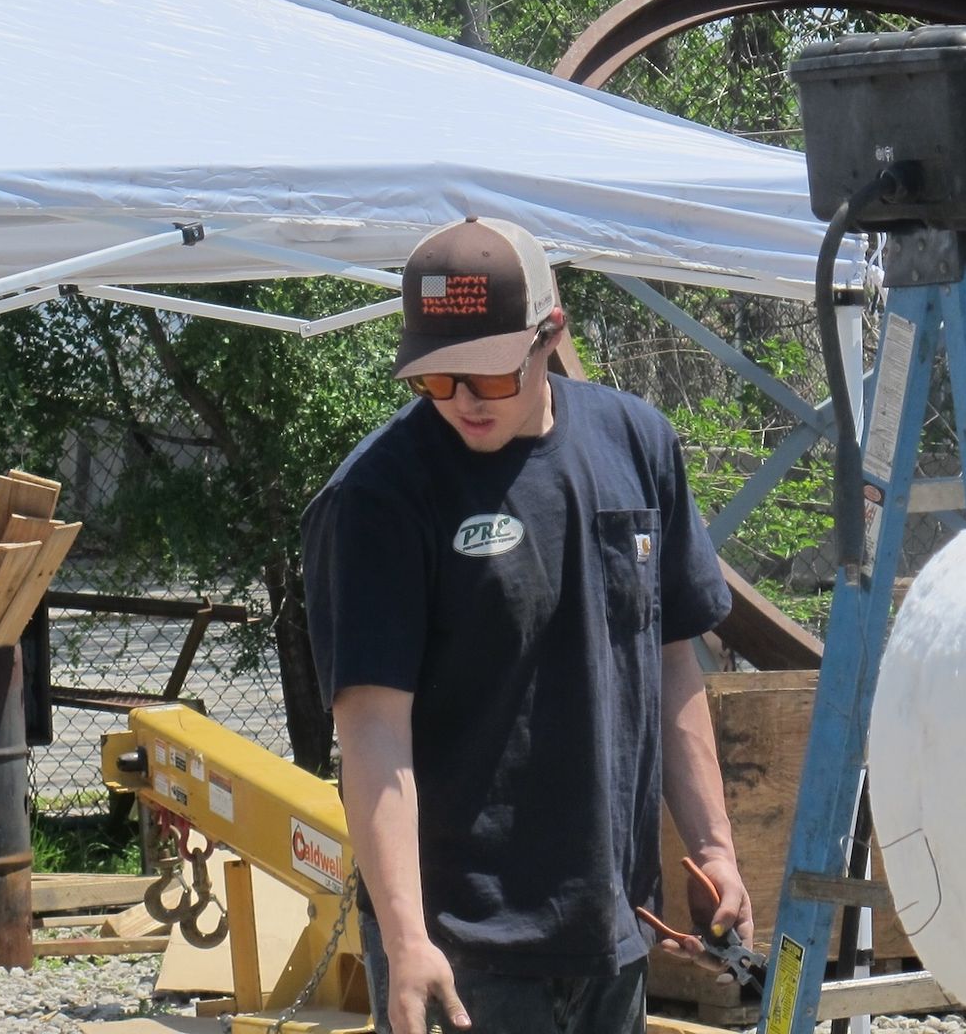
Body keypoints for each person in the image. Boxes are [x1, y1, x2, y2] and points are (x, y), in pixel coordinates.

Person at [302, 215, 753, 1034]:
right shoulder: (377, 496)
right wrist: (406, 938)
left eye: (488, 375)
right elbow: (371, 729)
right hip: (462, 949)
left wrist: (714, 847)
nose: (463, 401)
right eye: (436, 381)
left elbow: (672, 663)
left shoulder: (636, 445)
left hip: (612, 926)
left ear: (551, 336)